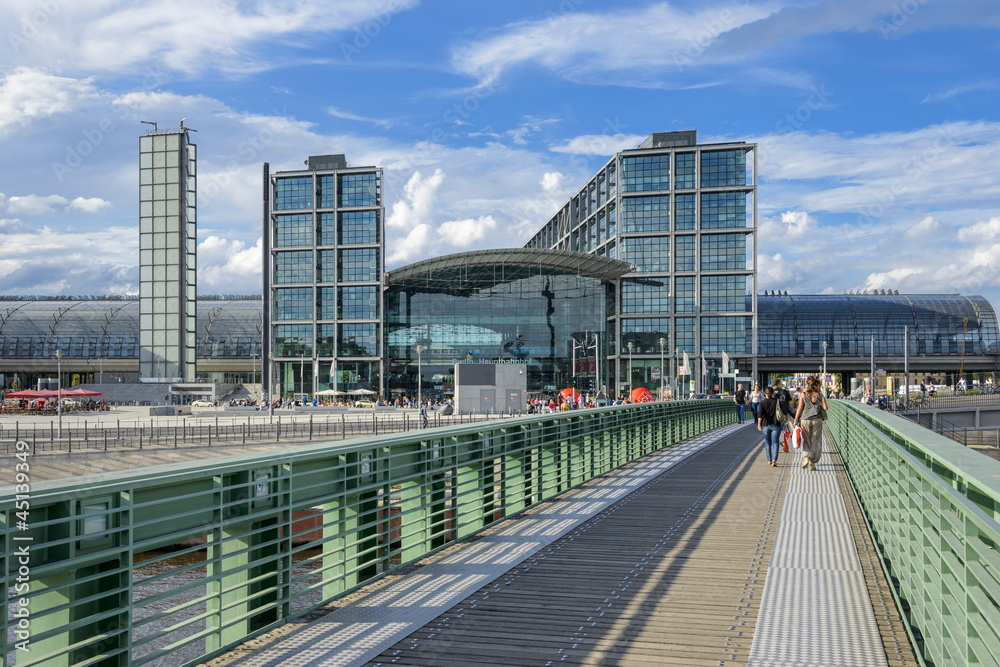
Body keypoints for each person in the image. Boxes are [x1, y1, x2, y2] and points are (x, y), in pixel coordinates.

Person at [793, 376, 828, 471]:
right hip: (817, 420)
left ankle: (806, 457)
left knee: (806, 440)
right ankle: (813, 462)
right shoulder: (820, 395)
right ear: (816, 385)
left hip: (805, 420)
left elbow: (800, 408)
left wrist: (796, 419)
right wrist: (823, 400)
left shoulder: (803, 394)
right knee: (815, 441)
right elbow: (825, 408)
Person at [756, 386, 782, 466]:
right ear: (773, 393)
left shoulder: (762, 403)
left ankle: (769, 460)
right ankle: (774, 459)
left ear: (765, 394)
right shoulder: (777, 402)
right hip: (776, 424)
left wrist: (759, 424)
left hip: (765, 425)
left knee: (767, 442)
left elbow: (760, 414)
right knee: (775, 443)